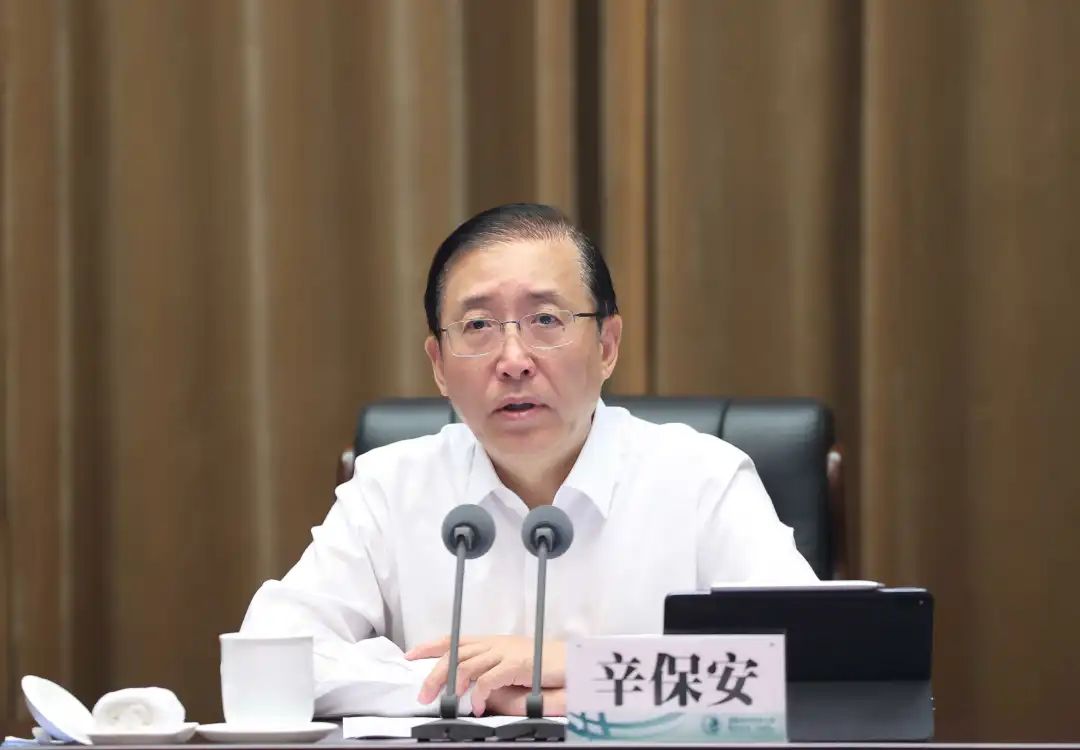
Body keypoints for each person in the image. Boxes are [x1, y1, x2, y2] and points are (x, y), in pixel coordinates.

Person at [240, 203, 816, 718]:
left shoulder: (702, 478)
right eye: (478, 326)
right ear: (439, 365)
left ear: (607, 346)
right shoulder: (392, 487)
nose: (513, 360)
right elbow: (268, 659)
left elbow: (807, 661)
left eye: (546, 320)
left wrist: (585, 670)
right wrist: (477, 687)